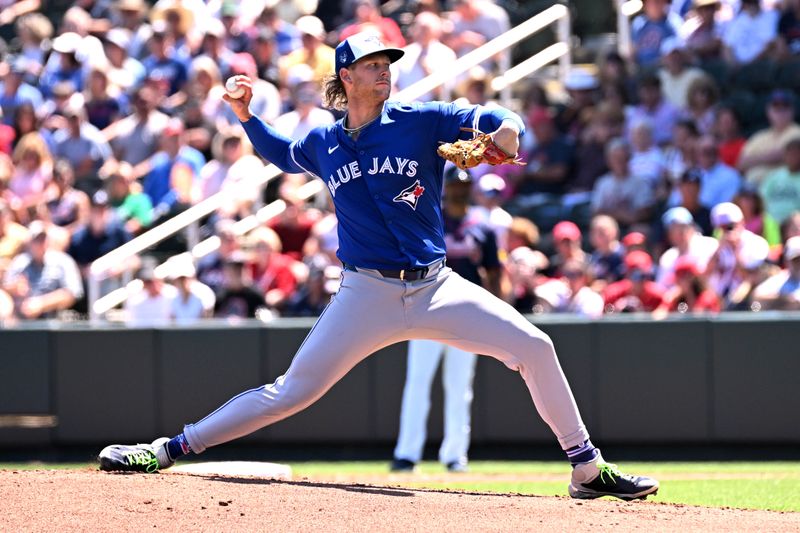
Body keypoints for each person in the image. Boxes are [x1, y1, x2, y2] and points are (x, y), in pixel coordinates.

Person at [98, 31, 658, 501]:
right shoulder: (323, 140)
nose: (384, 71)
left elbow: (490, 115)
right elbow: (280, 153)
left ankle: (586, 468)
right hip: (365, 294)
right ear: (346, 75)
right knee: (290, 392)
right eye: (371, 64)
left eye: (386, 63)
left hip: (437, 285)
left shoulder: (420, 120)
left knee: (535, 347)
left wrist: (506, 127)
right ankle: (168, 449)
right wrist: (246, 116)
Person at [392, 168, 501, 474]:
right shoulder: (430, 219)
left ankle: (455, 454)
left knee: (459, 386)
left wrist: (495, 312)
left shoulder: (482, 227)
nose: (459, 191)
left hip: (467, 314)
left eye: (464, 186)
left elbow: (494, 274)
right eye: (454, 185)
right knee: (418, 382)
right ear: (445, 187)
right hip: (428, 310)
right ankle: (407, 453)